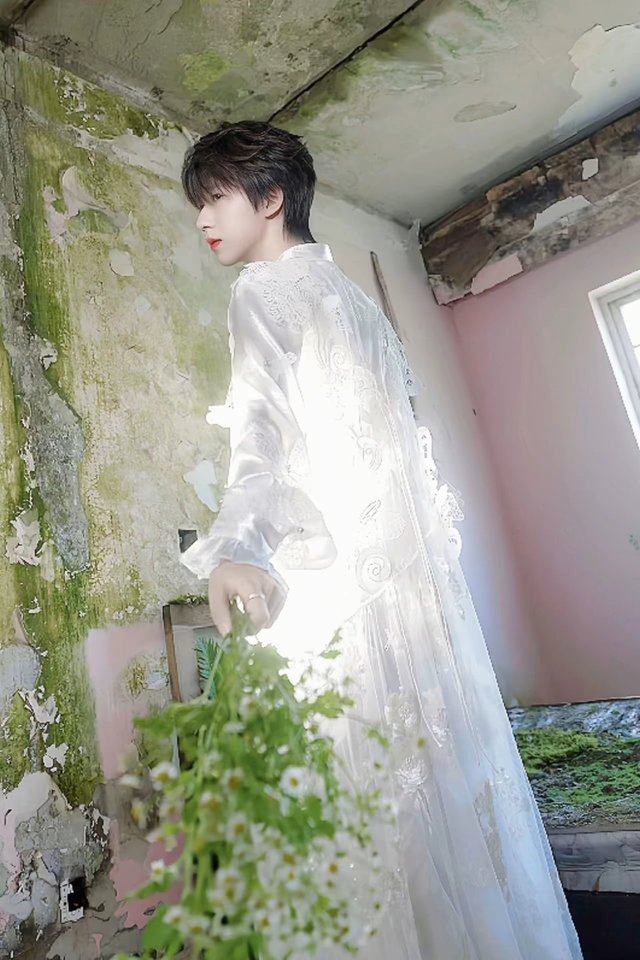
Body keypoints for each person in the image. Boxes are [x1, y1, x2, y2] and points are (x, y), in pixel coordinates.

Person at [179, 121, 583, 959]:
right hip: (407, 593)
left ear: (271, 197)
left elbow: (261, 435)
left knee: (355, 804)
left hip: (341, 593)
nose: (203, 219)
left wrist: (240, 546)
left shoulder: (262, 292)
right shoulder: (357, 305)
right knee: (430, 792)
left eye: (214, 198)